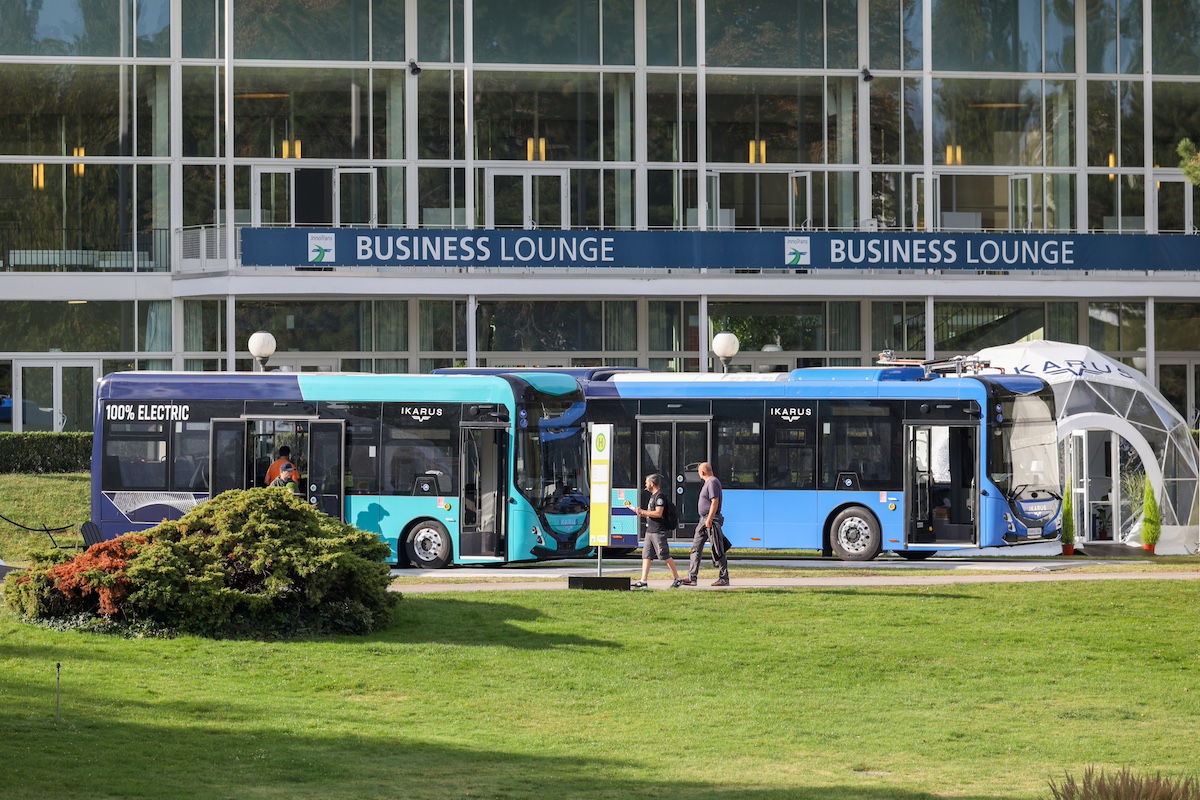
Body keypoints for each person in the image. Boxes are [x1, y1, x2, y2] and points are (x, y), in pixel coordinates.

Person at [626, 474, 682, 589]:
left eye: (646, 482)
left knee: (664, 555)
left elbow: (658, 513)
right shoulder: (653, 496)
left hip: (658, 531)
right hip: (650, 531)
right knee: (646, 555)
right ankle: (643, 581)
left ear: (652, 483)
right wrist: (641, 512)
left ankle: (677, 578)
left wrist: (643, 512)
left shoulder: (659, 497)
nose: (645, 484)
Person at [682, 461, 729, 587]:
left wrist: (709, 519)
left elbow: (715, 502)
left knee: (717, 549)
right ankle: (692, 577)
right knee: (696, 547)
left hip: (710, 520)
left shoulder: (712, 482)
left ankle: (724, 577)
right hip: (703, 519)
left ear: (702, 472)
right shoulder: (709, 482)